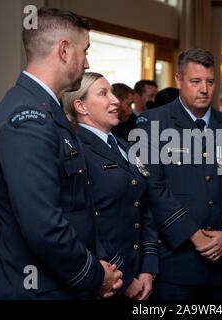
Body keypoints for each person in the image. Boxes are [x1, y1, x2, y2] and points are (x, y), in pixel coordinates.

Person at [0, 8, 122, 299]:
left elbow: (76, 207)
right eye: (84, 51)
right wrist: (94, 276)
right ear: (64, 50)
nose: (86, 62)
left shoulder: (45, 109)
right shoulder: (28, 118)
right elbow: (42, 225)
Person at [135, 48, 222, 300]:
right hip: (175, 266)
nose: (204, 89)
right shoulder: (153, 123)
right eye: (196, 81)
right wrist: (194, 235)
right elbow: (153, 188)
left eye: (210, 82)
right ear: (178, 80)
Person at [62, 72, 158, 300]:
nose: (115, 100)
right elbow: (86, 222)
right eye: (103, 93)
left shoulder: (124, 146)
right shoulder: (77, 150)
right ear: (81, 106)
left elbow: (145, 209)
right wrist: (124, 277)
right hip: (106, 279)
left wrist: (148, 269)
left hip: (141, 273)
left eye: (112, 93)